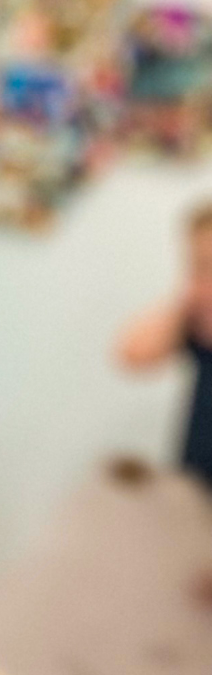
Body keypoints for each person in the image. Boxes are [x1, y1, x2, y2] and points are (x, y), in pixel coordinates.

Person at [116, 199, 212, 493]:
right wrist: (187, 297)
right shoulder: (197, 323)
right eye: (199, 265)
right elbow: (134, 353)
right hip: (195, 480)